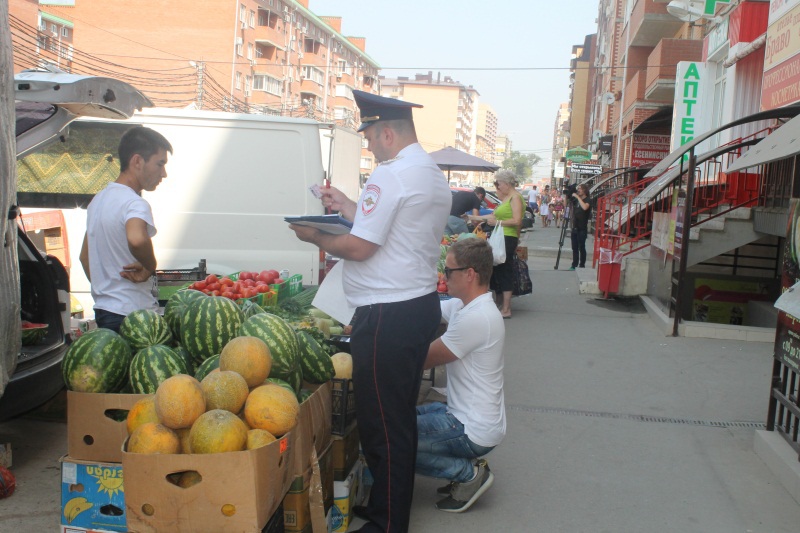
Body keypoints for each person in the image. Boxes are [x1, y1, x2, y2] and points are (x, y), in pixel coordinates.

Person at [289, 90, 451, 533]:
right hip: (413, 305)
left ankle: (387, 523)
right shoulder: (429, 173)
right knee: (397, 417)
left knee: (383, 426)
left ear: (386, 132)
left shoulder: (391, 175)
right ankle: (388, 505)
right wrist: (347, 206)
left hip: (386, 315)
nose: (370, 147)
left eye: (371, 138)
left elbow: (359, 245)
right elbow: (397, 228)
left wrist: (314, 237)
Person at [415, 238, 506, 513]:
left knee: (392, 437)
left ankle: (467, 474)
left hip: (471, 428)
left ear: (470, 274)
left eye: (449, 271)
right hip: (464, 415)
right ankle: (464, 470)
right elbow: (425, 308)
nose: (444, 276)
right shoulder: (465, 306)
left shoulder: (477, 318)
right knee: (404, 418)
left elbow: (423, 359)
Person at [79, 126, 172, 332]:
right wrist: (150, 266)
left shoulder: (98, 201)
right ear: (137, 161)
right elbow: (137, 238)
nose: (164, 173)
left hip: (104, 312)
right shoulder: (134, 203)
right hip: (134, 316)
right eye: (160, 164)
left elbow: (85, 257)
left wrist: (108, 292)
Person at [469, 169, 523, 318]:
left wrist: (497, 222)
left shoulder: (515, 198)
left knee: (504, 270)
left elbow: (517, 221)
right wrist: (471, 217)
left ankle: (506, 308)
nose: (497, 187)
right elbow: (492, 216)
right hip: (500, 237)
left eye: (498, 184)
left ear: (506, 183)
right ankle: (500, 304)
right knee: (497, 270)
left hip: (507, 237)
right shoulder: (507, 198)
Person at [570, 183, 592, 270]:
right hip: (575, 227)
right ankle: (574, 264)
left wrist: (578, 197)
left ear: (584, 190)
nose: (578, 190)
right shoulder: (576, 200)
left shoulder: (588, 200)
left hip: (582, 228)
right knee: (574, 247)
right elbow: (566, 204)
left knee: (581, 247)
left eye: (580, 189)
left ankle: (582, 264)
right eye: (578, 189)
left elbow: (585, 208)